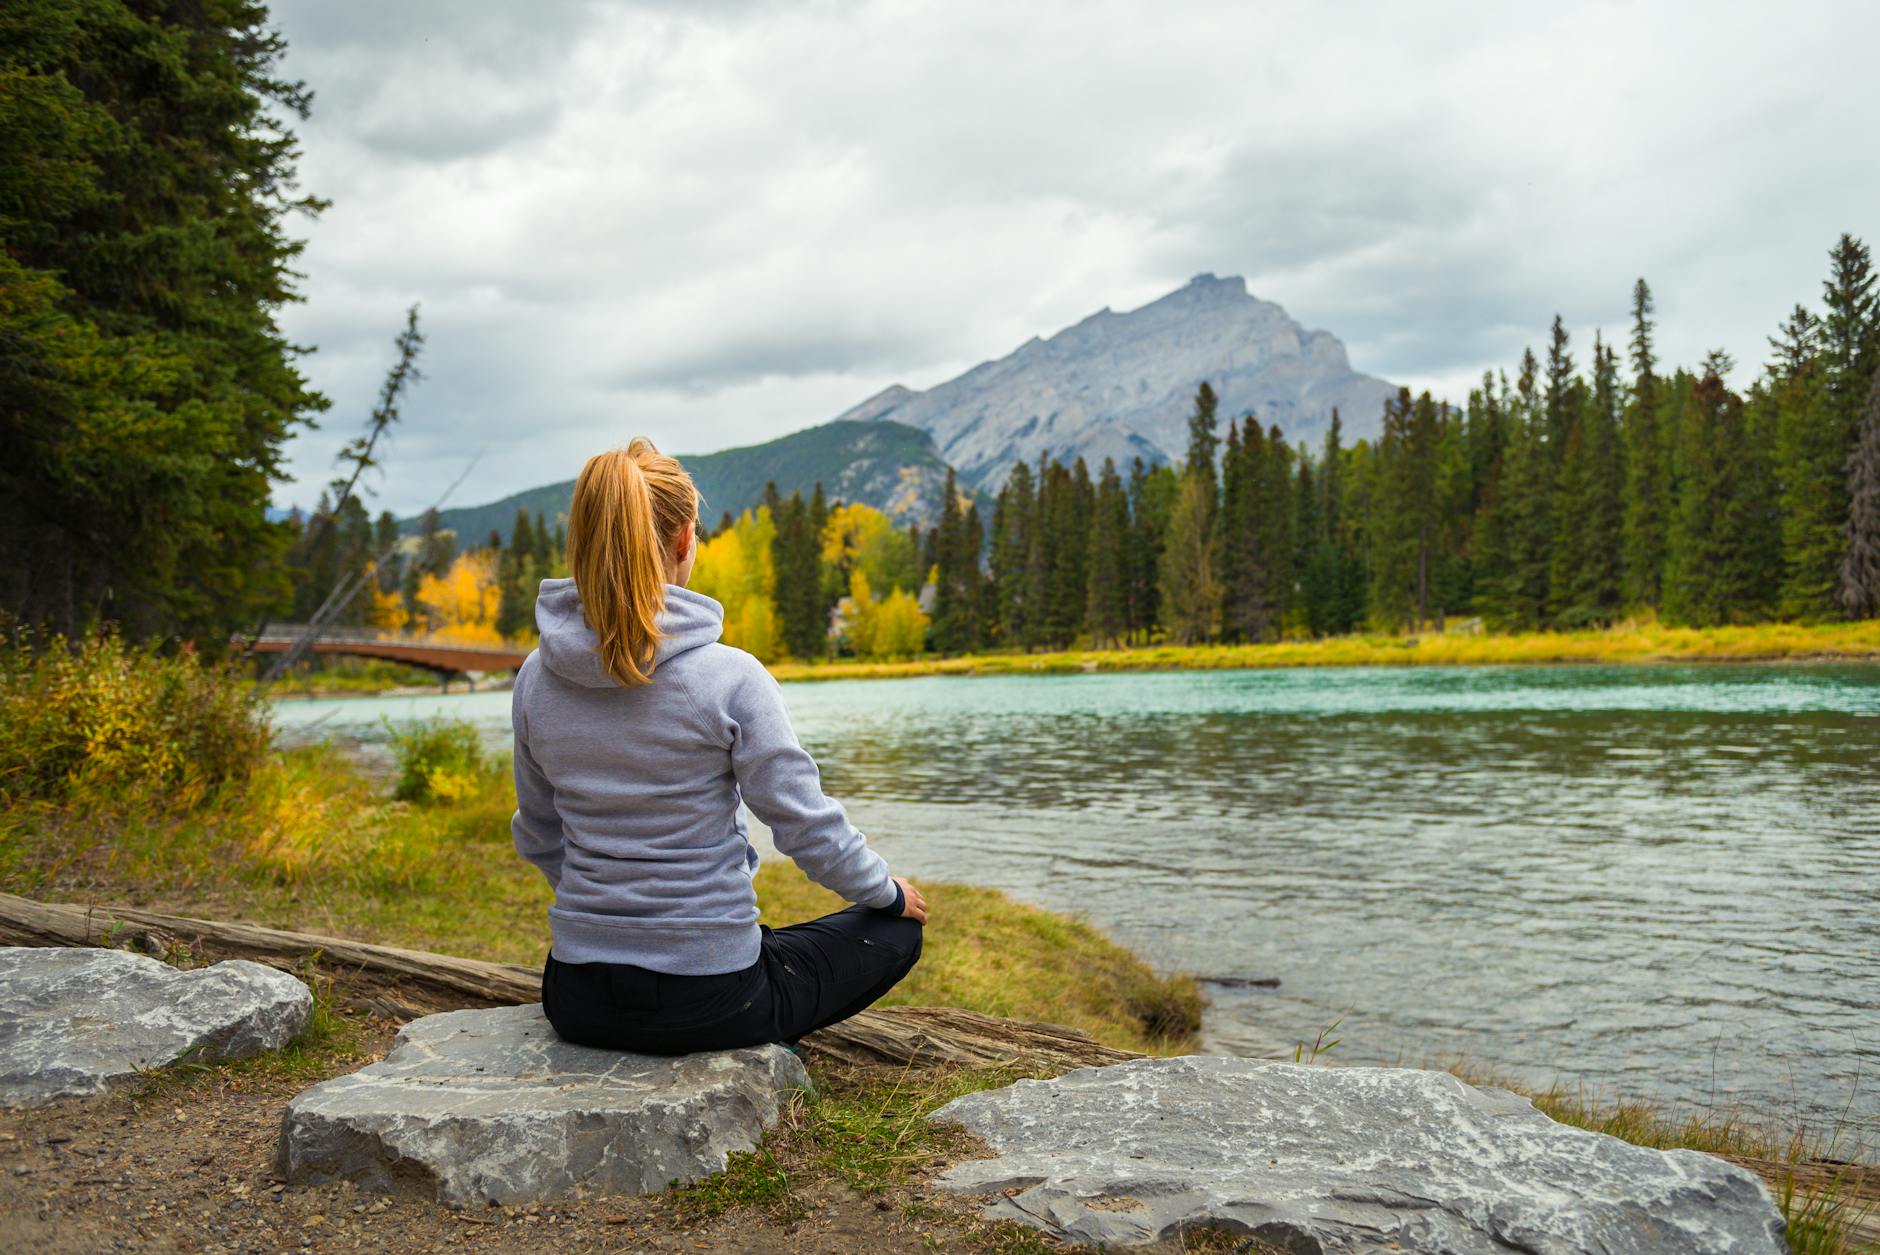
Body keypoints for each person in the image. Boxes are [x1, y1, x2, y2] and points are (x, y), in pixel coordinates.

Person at [510, 437, 926, 1055]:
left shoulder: (535, 678)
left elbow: (540, 833)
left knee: (771, 942)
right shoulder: (729, 676)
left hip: (577, 997)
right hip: (709, 1000)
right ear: (685, 542)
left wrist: (609, 918)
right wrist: (886, 892)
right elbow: (803, 823)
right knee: (895, 935)